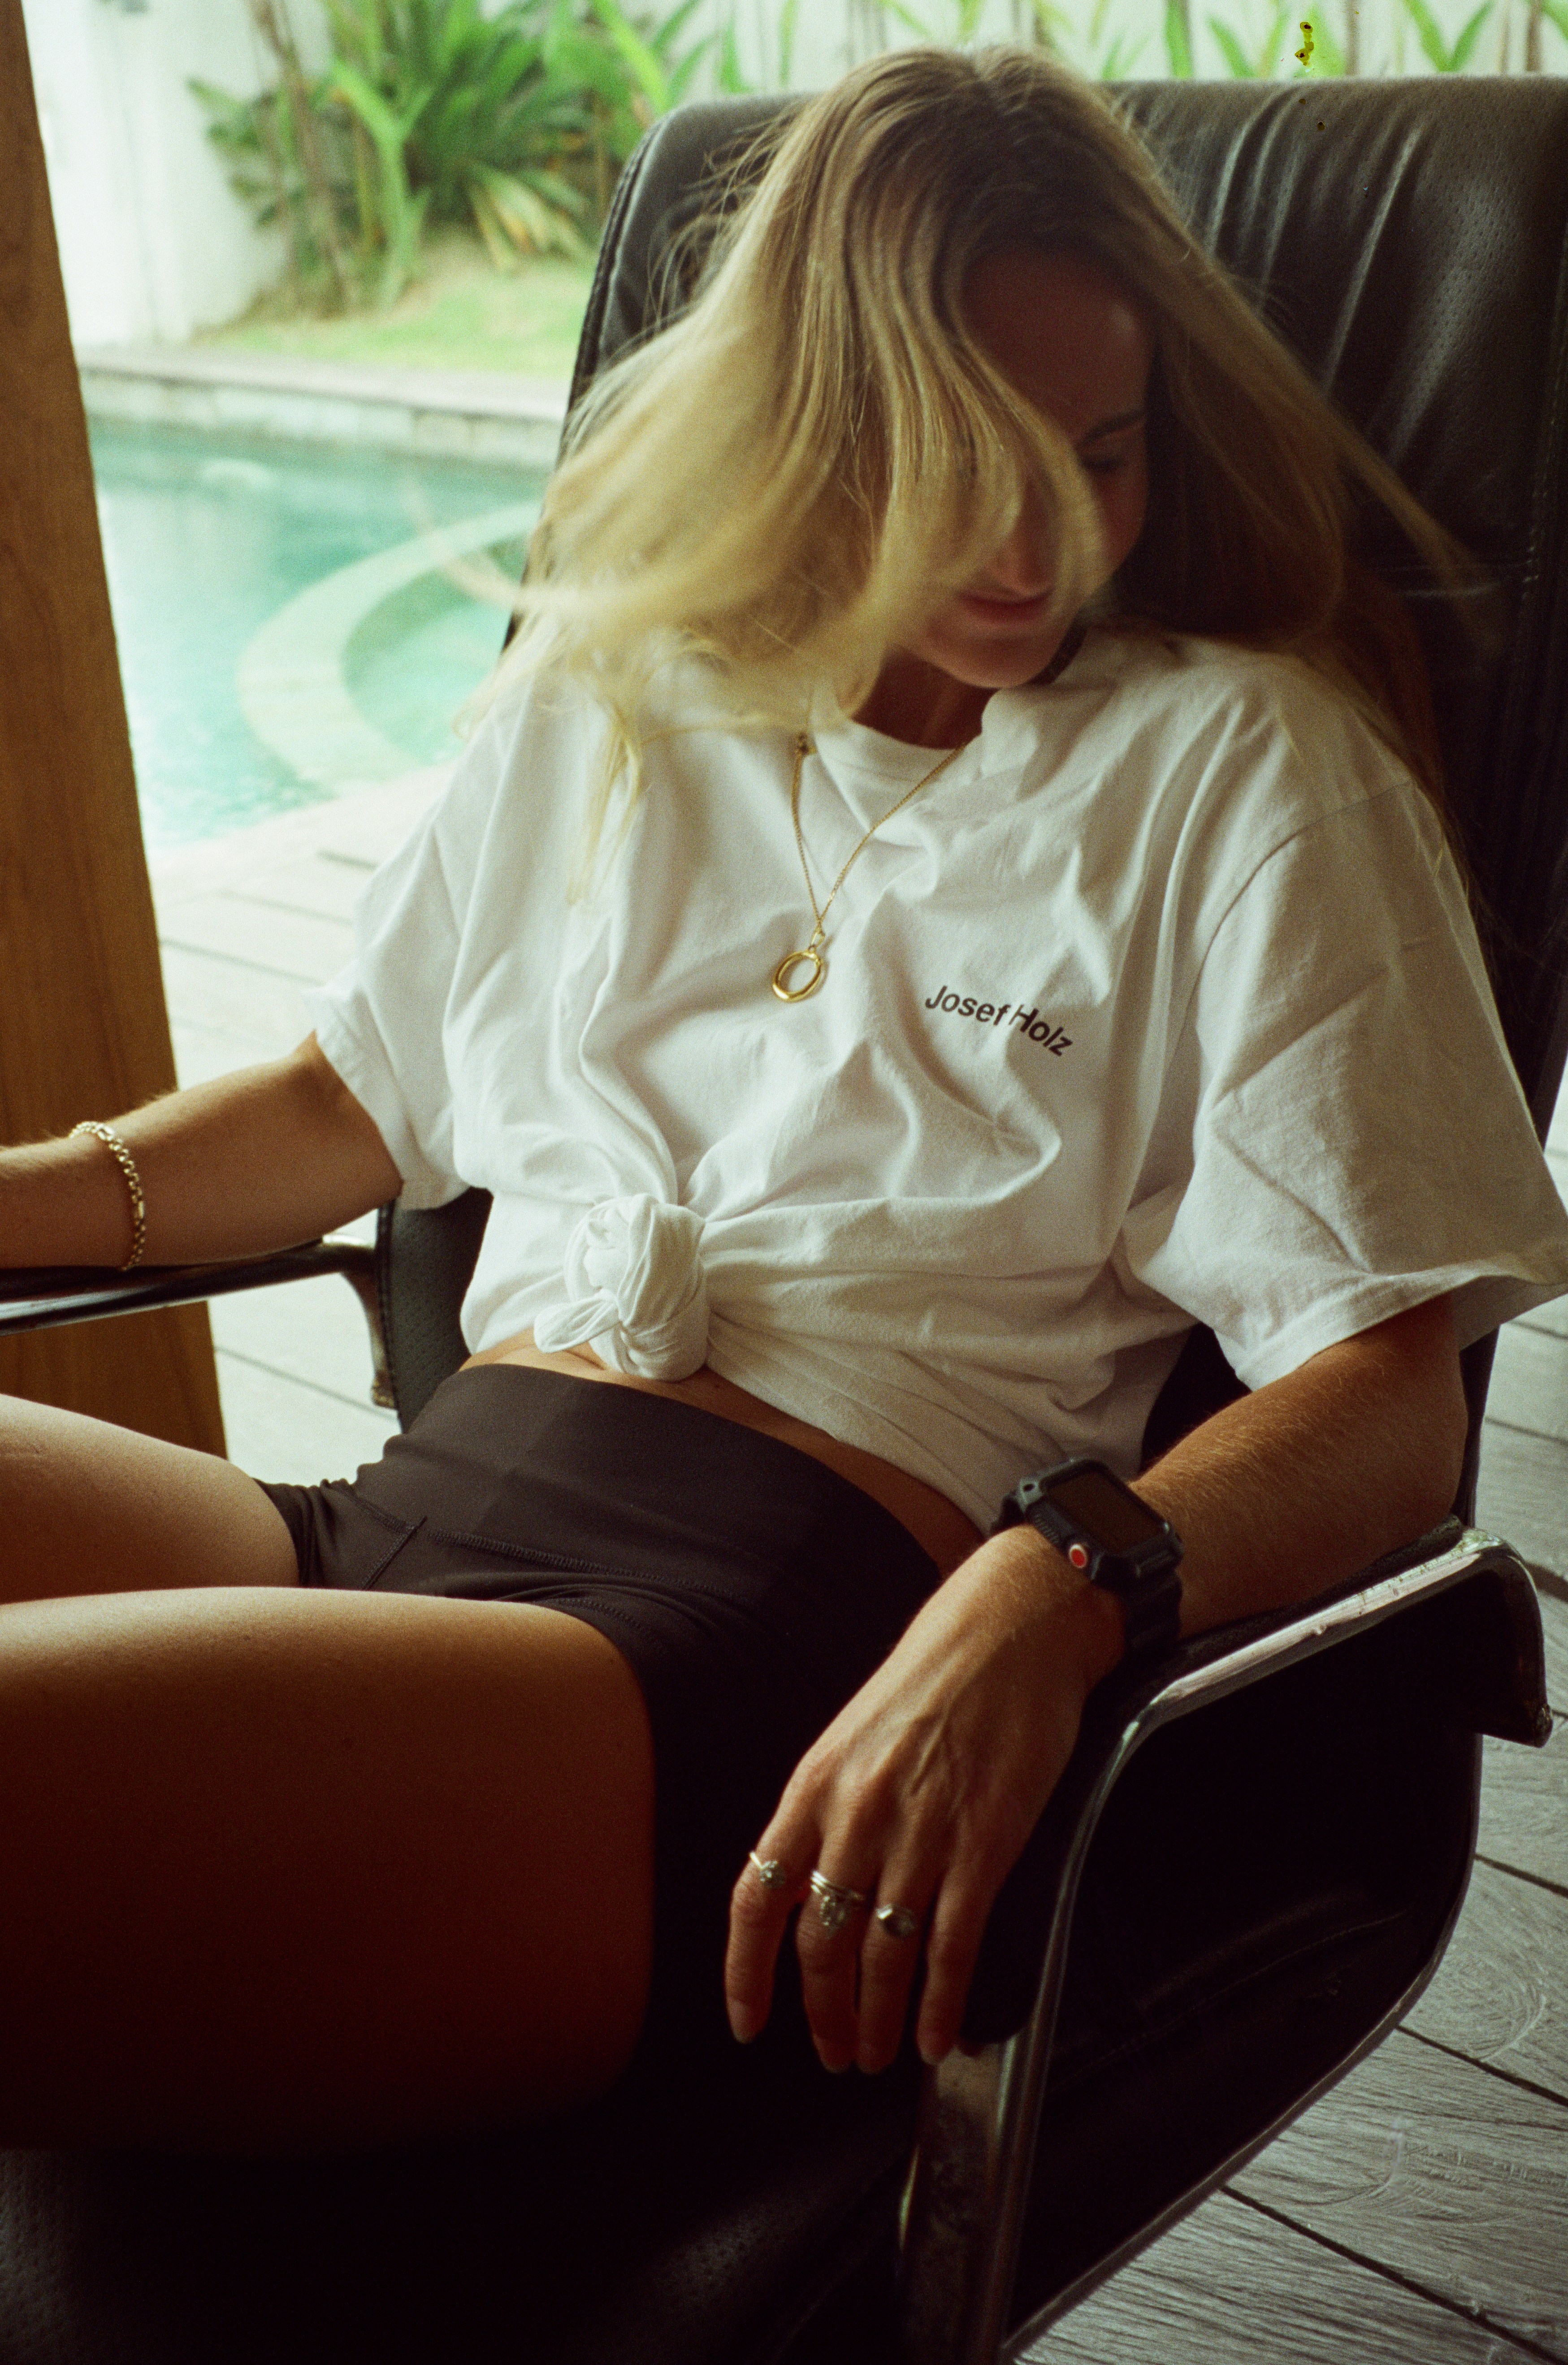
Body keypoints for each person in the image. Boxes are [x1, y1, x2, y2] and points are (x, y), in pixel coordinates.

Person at [3, 43, 1567, 2159]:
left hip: (733, 1675)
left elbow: (1389, 1384)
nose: (1041, 543)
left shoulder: (1234, 766)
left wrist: (1059, 1578)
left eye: (1097, 455)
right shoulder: (625, 680)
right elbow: (345, 1096)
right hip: (386, 1536)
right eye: (960, 461)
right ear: (812, 428)